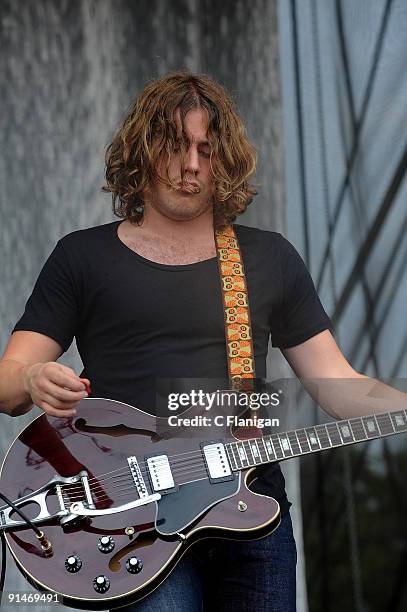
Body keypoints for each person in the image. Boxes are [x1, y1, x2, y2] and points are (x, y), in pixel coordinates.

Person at [0, 72, 405, 612]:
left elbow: (341, 387)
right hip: (132, 519)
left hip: (250, 502)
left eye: (207, 150)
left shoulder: (269, 258)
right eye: (175, 146)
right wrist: (31, 377)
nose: (191, 165)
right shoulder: (81, 257)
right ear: (143, 151)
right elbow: (8, 387)